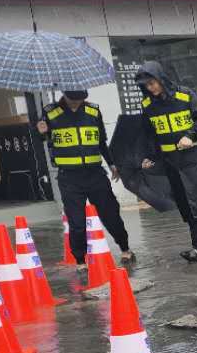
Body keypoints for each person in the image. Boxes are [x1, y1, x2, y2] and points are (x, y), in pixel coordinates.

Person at [36, 90, 135, 270]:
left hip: (95, 174)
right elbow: (43, 139)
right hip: (69, 178)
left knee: (111, 214)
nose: (76, 103)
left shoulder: (93, 111)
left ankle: (125, 249)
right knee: (77, 222)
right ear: (64, 95)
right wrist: (41, 132)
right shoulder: (50, 113)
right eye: (72, 99)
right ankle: (80, 261)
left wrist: (112, 164)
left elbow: (102, 142)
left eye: (80, 99)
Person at [134, 62, 197, 262]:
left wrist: (190, 135)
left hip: (193, 158)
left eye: (153, 83)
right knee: (184, 203)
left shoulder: (185, 95)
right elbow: (150, 135)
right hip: (171, 161)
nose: (151, 88)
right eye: (146, 86)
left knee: (196, 201)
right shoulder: (148, 105)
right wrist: (149, 156)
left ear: (161, 78)